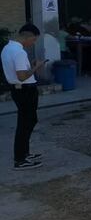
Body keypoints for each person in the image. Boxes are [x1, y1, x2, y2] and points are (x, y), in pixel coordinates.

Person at [2, 24, 46, 170]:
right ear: (27, 36)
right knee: (25, 124)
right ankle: (20, 159)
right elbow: (21, 76)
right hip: (25, 90)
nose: (33, 43)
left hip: (19, 90)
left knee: (28, 121)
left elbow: (18, 72)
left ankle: (24, 154)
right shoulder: (19, 52)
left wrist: (30, 66)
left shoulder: (7, 48)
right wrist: (37, 66)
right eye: (33, 40)